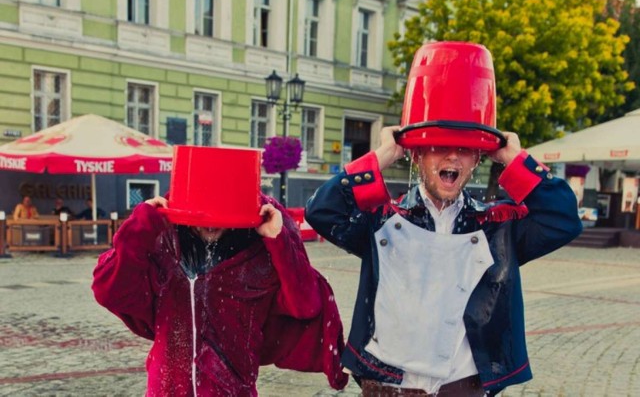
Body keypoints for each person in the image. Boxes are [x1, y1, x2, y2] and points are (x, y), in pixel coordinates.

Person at [305, 41, 583, 396]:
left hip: (462, 388)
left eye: (466, 148)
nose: (453, 156)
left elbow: (563, 218)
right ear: (417, 155)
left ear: (479, 158)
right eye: (437, 146)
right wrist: (381, 155)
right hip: (386, 386)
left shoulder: (498, 226)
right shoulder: (382, 219)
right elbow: (322, 211)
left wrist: (515, 158)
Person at [92, 185, 347, 394]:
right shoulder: (165, 252)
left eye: (220, 215)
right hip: (165, 388)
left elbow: (305, 303)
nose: (210, 224)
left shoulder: (257, 262)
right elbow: (109, 290)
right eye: (201, 215)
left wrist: (278, 241)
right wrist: (142, 227)